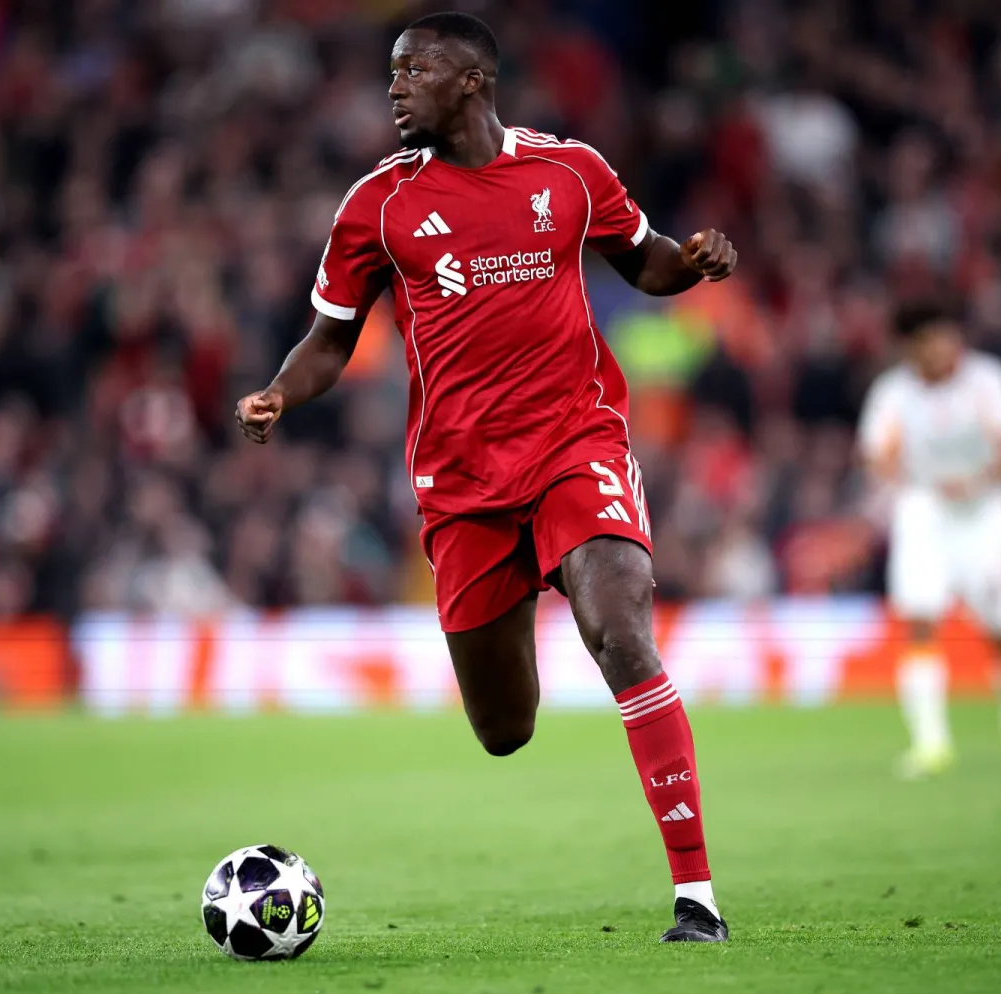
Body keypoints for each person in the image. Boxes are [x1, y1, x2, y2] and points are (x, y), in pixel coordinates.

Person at [235, 12, 736, 942]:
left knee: (620, 632)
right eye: (391, 71)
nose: (393, 87)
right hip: (463, 482)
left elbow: (646, 260)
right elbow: (331, 339)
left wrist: (694, 263)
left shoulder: (570, 172)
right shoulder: (376, 206)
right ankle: (536, 587)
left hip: (572, 442)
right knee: (504, 729)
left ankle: (696, 897)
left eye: (411, 69)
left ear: (471, 80)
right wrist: (277, 392)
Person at [858, 302, 1001, 779]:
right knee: (920, 621)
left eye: (948, 337)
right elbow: (874, 453)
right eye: (932, 340)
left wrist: (980, 479)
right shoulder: (894, 392)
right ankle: (931, 744)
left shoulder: (987, 379)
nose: (944, 348)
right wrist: (910, 477)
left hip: (984, 511)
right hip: (926, 510)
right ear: (913, 347)